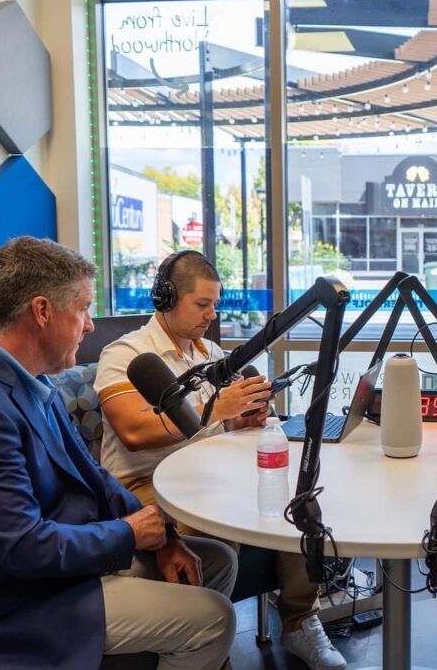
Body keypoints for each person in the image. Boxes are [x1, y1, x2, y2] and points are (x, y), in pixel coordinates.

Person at [0, 237, 238, 670]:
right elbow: (24, 548)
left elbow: (94, 477)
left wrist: (166, 538)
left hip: (64, 574)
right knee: (215, 619)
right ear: (42, 312)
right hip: (18, 609)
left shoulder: (32, 381)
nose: (88, 326)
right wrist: (130, 534)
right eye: (82, 308)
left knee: (217, 561)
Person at [95, 249, 348, 670]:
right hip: (144, 483)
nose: (212, 314)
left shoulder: (209, 352)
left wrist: (245, 419)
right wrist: (216, 410)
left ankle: (300, 621)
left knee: (296, 502)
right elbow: (134, 432)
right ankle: (208, 641)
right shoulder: (125, 355)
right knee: (219, 516)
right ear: (165, 297)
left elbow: (219, 426)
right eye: (202, 304)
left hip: (209, 472)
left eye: (216, 304)